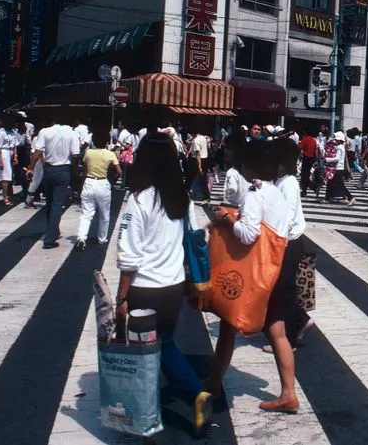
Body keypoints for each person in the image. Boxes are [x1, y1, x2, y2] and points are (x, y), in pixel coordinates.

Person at [114, 132, 212, 437]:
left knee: (144, 356)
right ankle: (195, 393)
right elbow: (196, 236)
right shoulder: (182, 197)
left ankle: (146, 420)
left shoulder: (139, 199)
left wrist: (120, 298)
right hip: (174, 287)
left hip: (145, 287)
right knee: (165, 343)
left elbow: (130, 256)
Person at [206, 140, 294, 413]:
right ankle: (288, 393)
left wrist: (227, 218)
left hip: (254, 272)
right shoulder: (276, 192)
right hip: (276, 267)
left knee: (228, 327)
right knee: (277, 332)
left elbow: (248, 234)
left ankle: (213, 383)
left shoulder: (254, 193)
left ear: (250, 166)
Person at [266, 138, 315, 349]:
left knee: (284, 290)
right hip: (286, 241)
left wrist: (276, 246)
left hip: (288, 243)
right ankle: (300, 322)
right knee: (283, 289)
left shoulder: (289, 184)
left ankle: (292, 335)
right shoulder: (282, 181)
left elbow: (285, 217)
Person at [29, 121, 80, 249]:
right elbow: (75, 155)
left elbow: (37, 151)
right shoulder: (72, 133)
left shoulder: (44, 131)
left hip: (48, 169)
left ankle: (53, 230)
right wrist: (74, 171)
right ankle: (50, 239)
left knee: (50, 203)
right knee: (57, 204)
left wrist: (30, 167)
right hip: (63, 169)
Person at [74, 139, 120, 251]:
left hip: (89, 181)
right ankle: (102, 238)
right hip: (102, 182)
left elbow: (85, 169)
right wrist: (112, 179)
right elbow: (119, 171)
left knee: (86, 214)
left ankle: (81, 237)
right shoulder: (110, 154)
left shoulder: (88, 152)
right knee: (104, 214)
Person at [0, 118, 20, 205]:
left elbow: (15, 146)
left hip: (10, 153)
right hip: (4, 153)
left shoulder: (13, 133)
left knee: (8, 177)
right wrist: (0, 160)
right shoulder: (2, 133)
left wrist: (15, 156)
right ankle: (5, 197)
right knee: (6, 177)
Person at [323, 131, 355, 205]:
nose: (335, 140)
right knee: (330, 183)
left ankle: (351, 197)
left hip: (338, 169)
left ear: (340, 140)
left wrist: (327, 159)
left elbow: (337, 158)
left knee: (339, 185)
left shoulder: (340, 147)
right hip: (338, 168)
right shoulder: (341, 147)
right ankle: (328, 198)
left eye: (336, 139)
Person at [188, 129, 211, 202]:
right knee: (202, 178)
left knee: (196, 177)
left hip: (198, 160)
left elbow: (198, 154)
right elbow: (208, 147)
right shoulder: (204, 138)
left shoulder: (196, 140)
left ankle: (204, 195)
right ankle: (205, 195)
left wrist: (199, 166)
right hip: (205, 158)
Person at [297, 130, 318, 196]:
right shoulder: (314, 140)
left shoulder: (304, 139)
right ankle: (304, 191)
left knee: (304, 176)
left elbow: (299, 148)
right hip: (312, 159)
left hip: (306, 158)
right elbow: (316, 151)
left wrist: (299, 155)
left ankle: (314, 187)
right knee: (306, 175)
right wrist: (316, 160)